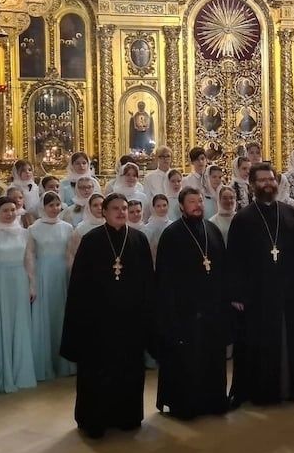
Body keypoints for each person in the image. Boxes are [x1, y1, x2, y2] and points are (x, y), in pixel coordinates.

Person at [62, 193, 154, 437]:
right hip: (98, 323)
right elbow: (79, 284)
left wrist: (146, 315)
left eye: (124, 208)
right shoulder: (91, 240)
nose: (122, 212)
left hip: (130, 322)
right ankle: (94, 421)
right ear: (103, 211)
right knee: (97, 372)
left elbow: (148, 281)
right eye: (116, 208)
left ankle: (128, 417)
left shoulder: (139, 239)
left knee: (129, 370)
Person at [226, 163, 294, 406]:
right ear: (252, 185)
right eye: (262, 180)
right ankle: (261, 391)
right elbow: (234, 260)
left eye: (271, 179)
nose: (268, 184)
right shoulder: (242, 218)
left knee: (288, 340)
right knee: (259, 343)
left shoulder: (290, 214)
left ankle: (290, 388)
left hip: (287, 291)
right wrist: (237, 293)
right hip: (257, 294)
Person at [152, 187, 229, 419]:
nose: (198, 205)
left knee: (212, 356)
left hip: (212, 309)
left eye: (200, 201)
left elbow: (222, 270)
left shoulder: (212, 230)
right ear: (182, 207)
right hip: (184, 311)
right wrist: (171, 311)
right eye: (192, 202)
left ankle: (214, 400)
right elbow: (165, 278)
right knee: (186, 359)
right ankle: (185, 405)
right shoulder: (171, 234)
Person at [0, 196, 37, 394]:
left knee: (20, 325)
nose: (10, 214)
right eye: (5, 210)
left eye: (13, 209)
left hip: (19, 281)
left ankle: (21, 373)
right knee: (1, 324)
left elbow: (29, 261)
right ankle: (3, 375)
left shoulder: (25, 233)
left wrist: (32, 286)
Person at [27, 192, 74, 380]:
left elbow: (70, 253)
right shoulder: (33, 228)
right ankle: (45, 364)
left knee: (62, 313)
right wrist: (32, 281)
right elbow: (30, 255)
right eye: (51, 205)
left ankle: (65, 362)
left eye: (57, 205)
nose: (55, 209)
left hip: (62, 273)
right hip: (43, 274)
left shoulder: (68, 227)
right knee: (45, 315)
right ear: (43, 207)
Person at [68, 193, 105, 267]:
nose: (99, 208)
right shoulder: (81, 229)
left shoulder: (112, 225)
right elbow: (74, 253)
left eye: (102, 204)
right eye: (95, 205)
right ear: (89, 208)